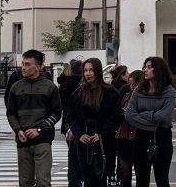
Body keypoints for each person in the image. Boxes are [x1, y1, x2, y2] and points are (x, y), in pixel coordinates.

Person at [6, 49, 61, 187]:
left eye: (27, 64)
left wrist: (40, 129)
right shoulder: (16, 87)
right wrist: (18, 130)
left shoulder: (50, 87)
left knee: (43, 182)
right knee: (25, 182)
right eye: (22, 64)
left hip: (43, 140)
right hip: (23, 140)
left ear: (37, 67)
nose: (23, 68)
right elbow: (11, 112)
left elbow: (56, 113)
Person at [66, 58, 120, 187]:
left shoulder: (110, 92)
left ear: (97, 71)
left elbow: (115, 116)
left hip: (103, 141)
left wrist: (101, 134)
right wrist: (79, 134)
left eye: (91, 70)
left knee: (101, 176)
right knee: (86, 177)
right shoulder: (78, 93)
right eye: (85, 70)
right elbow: (71, 117)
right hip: (83, 141)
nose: (88, 73)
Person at [125, 57, 176, 187]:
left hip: (162, 136)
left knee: (162, 179)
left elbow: (165, 116)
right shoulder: (138, 90)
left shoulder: (169, 91)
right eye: (144, 67)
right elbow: (129, 115)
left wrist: (144, 114)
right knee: (141, 179)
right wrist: (153, 121)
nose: (145, 70)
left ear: (158, 70)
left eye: (149, 67)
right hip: (141, 137)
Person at [58, 59, 84, 187]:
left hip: (67, 123)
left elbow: (61, 106)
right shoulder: (82, 85)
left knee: (72, 154)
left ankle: (74, 180)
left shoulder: (64, 86)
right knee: (82, 154)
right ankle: (80, 176)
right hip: (80, 123)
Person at [114, 71, 142, 187]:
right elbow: (116, 112)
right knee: (125, 175)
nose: (131, 87)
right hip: (124, 137)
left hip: (138, 137)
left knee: (141, 175)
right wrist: (121, 113)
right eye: (130, 84)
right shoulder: (126, 95)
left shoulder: (145, 97)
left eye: (134, 84)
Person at [104, 65, 129, 186]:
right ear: (122, 75)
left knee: (110, 152)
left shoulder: (110, 86)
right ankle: (119, 176)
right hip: (120, 126)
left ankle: (110, 175)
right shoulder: (124, 88)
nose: (128, 75)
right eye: (126, 73)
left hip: (109, 126)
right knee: (121, 154)